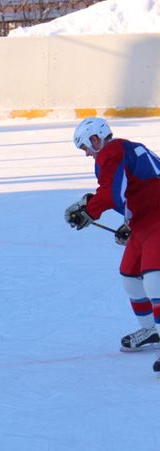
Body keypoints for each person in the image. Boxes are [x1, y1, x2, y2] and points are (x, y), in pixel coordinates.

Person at [65, 117, 160, 376]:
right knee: (130, 276)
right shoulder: (123, 149)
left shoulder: (111, 152)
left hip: (157, 218)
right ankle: (152, 331)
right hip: (145, 220)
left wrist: (89, 210)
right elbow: (133, 192)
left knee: (154, 279)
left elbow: (112, 194)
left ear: (96, 139)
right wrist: (129, 222)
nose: (86, 153)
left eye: (85, 146)